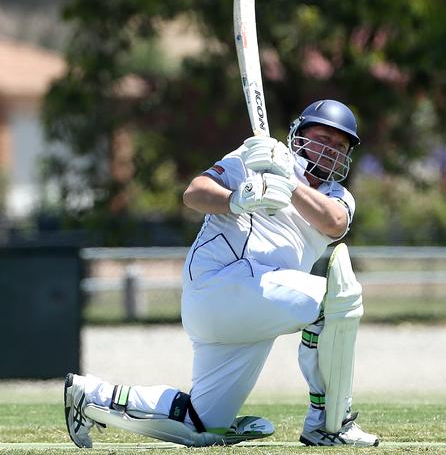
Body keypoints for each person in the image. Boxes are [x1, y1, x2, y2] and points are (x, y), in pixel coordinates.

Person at [64, 99, 379, 447]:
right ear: (299, 135)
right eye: (324, 138)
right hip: (222, 282)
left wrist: (287, 184)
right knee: (336, 300)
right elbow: (194, 193)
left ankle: (89, 396)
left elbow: (333, 223)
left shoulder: (337, 196)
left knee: (201, 426)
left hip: (253, 307)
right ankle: (330, 425)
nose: (331, 150)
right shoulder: (258, 154)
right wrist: (236, 199)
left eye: (340, 146)